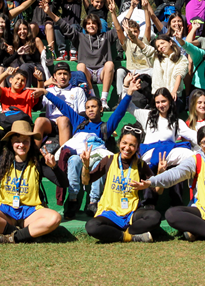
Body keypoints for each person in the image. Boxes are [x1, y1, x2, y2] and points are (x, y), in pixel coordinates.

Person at [46, 79, 138, 218]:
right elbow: (63, 106)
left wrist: (129, 93)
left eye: (94, 107)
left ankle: (93, 202)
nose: (90, 110)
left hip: (95, 155)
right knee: (73, 161)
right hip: (79, 155)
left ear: (101, 109)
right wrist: (46, 92)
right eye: (88, 107)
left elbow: (119, 113)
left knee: (99, 163)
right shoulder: (79, 122)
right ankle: (73, 199)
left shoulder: (105, 127)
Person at [0, 121, 65, 244]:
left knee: (55, 218)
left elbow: (63, 184)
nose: (21, 145)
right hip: (6, 211)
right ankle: (25, 233)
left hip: (30, 212)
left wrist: (55, 167)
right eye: (17, 140)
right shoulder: (3, 161)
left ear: (31, 142)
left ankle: (10, 238)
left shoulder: (37, 162)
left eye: (25, 140)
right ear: (11, 142)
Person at [83, 124, 165, 243]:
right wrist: (85, 165)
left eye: (132, 145)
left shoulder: (141, 165)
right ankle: (129, 236)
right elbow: (86, 181)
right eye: (124, 143)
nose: (127, 148)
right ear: (119, 143)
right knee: (91, 226)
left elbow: (158, 191)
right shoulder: (109, 160)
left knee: (155, 217)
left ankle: (122, 232)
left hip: (132, 214)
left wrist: (160, 175)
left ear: (137, 148)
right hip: (110, 213)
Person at [46, 4, 116, 110]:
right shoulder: (80, 37)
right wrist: (49, 13)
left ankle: (103, 99)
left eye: (94, 23)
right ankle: (92, 96)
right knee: (80, 66)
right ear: (85, 26)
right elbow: (64, 25)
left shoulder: (106, 36)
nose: (91, 25)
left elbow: (119, 29)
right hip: (87, 73)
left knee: (109, 64)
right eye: (88, 24)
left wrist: (114, 13)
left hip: (102, 73)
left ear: (98, 25)